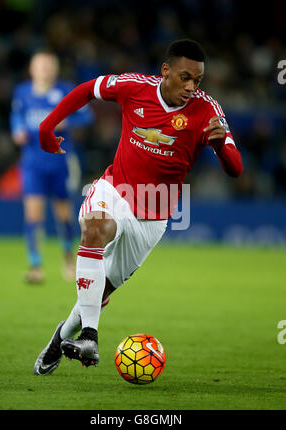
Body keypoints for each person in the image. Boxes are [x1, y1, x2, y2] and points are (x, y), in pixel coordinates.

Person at [33, 39, 243, 374]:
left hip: (155, 213)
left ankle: (63, 336)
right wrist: (48, 124)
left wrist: (222, 148)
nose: (191, 87)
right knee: (94, 227)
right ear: (166, 71)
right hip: (115, 189)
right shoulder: (134, 87)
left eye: (197, 81)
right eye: (185, 78)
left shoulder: (208, 110)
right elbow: (88, 89)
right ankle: (91, 336)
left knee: (99, 291)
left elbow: (236, 170)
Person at [10, 50, 94, 283]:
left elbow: (87, 116)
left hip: (60, 161)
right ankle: (35, 266)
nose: (45, 69)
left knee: (64, 214)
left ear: (55, 69)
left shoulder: (66, 91)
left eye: (49, 65)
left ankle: (68, 260)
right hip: (32, 163)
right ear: (32, 69)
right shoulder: (23, 92)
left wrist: (70, 121)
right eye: (40, 65)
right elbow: (16, 116)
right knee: (33, 214)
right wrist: (16, 129)